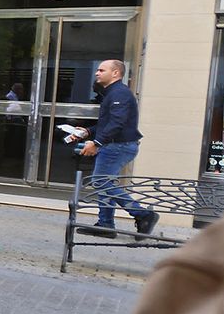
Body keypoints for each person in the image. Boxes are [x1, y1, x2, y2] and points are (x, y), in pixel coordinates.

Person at [67, 59, 158, 238]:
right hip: (116, 145)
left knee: (101, 182)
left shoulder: (119, 93)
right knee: (105, 183)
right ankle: (106, 225)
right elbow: (108, 123)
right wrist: (87, 132)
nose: (96, 73)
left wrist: (97, 143)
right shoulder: (113, 93)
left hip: (118, 146)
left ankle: (143, 215)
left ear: (115, 73)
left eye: (101, 70)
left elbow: (117, 122)